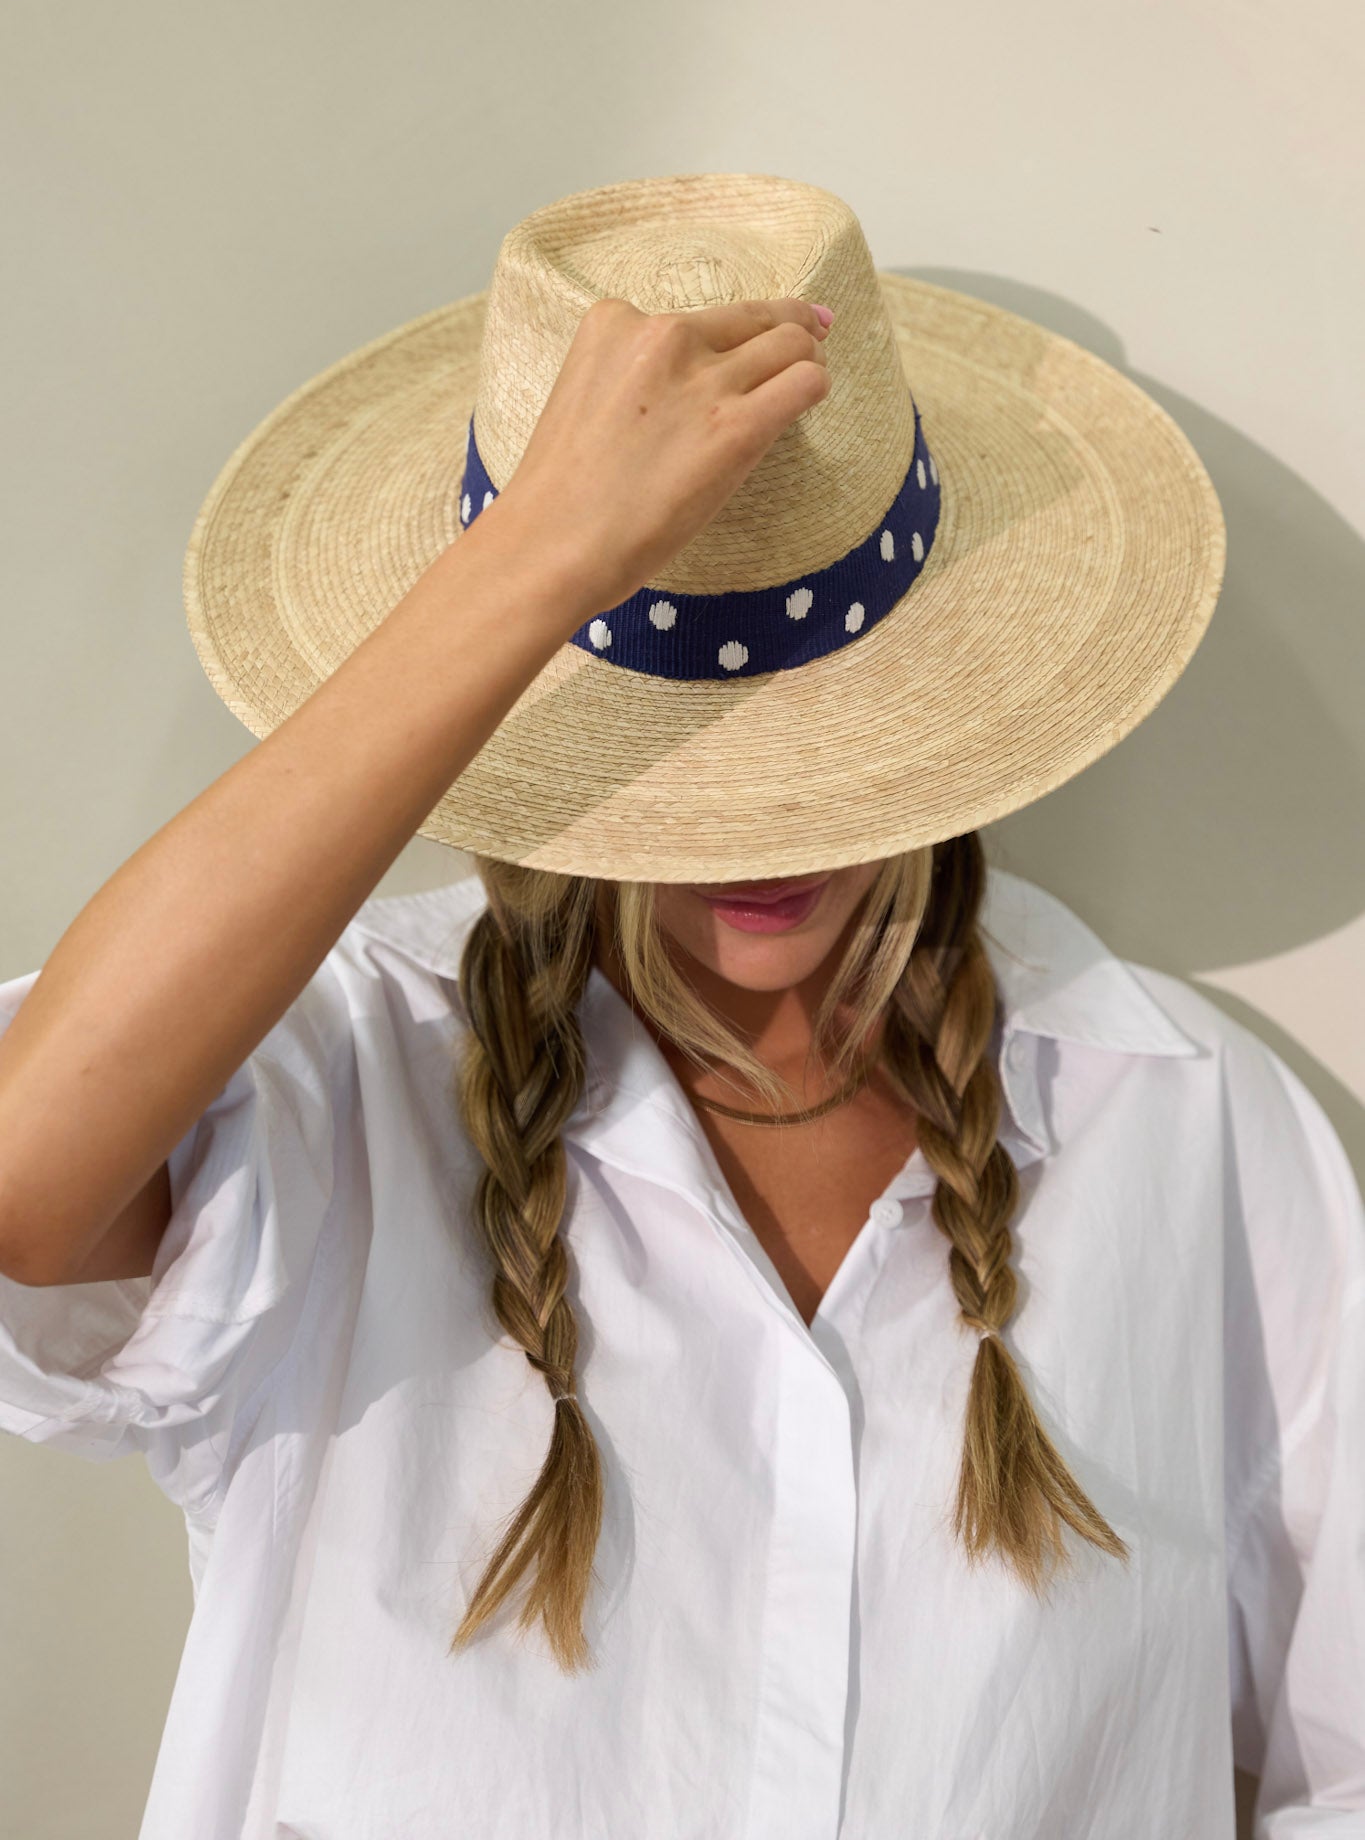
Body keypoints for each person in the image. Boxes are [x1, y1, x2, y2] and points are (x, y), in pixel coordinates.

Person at [0, 172, 1360, 1838]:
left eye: (818, 725)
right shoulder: (350, 1070)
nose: (761, 825)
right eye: (675, 740)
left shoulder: (1184, 1121)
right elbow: (19, 1181)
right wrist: (544, 567)